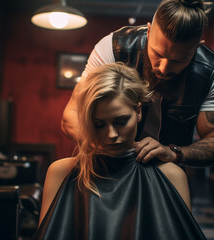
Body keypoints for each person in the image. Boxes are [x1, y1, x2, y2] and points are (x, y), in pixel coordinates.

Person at [36, 63, 205, 240]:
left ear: (138, 111)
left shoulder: (171, 175)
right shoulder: (61, 173)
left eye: (121, 121)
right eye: (99, 124)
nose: (111, 135)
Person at [61, 0, 214, 167]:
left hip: (169, 175)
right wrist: (111, 148)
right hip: (107, 167)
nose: (164, 68)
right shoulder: (113, 47)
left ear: (196, 47)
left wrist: (173, 153)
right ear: (148, 32)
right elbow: (71, 116)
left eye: (178, 60)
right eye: (158, 54)